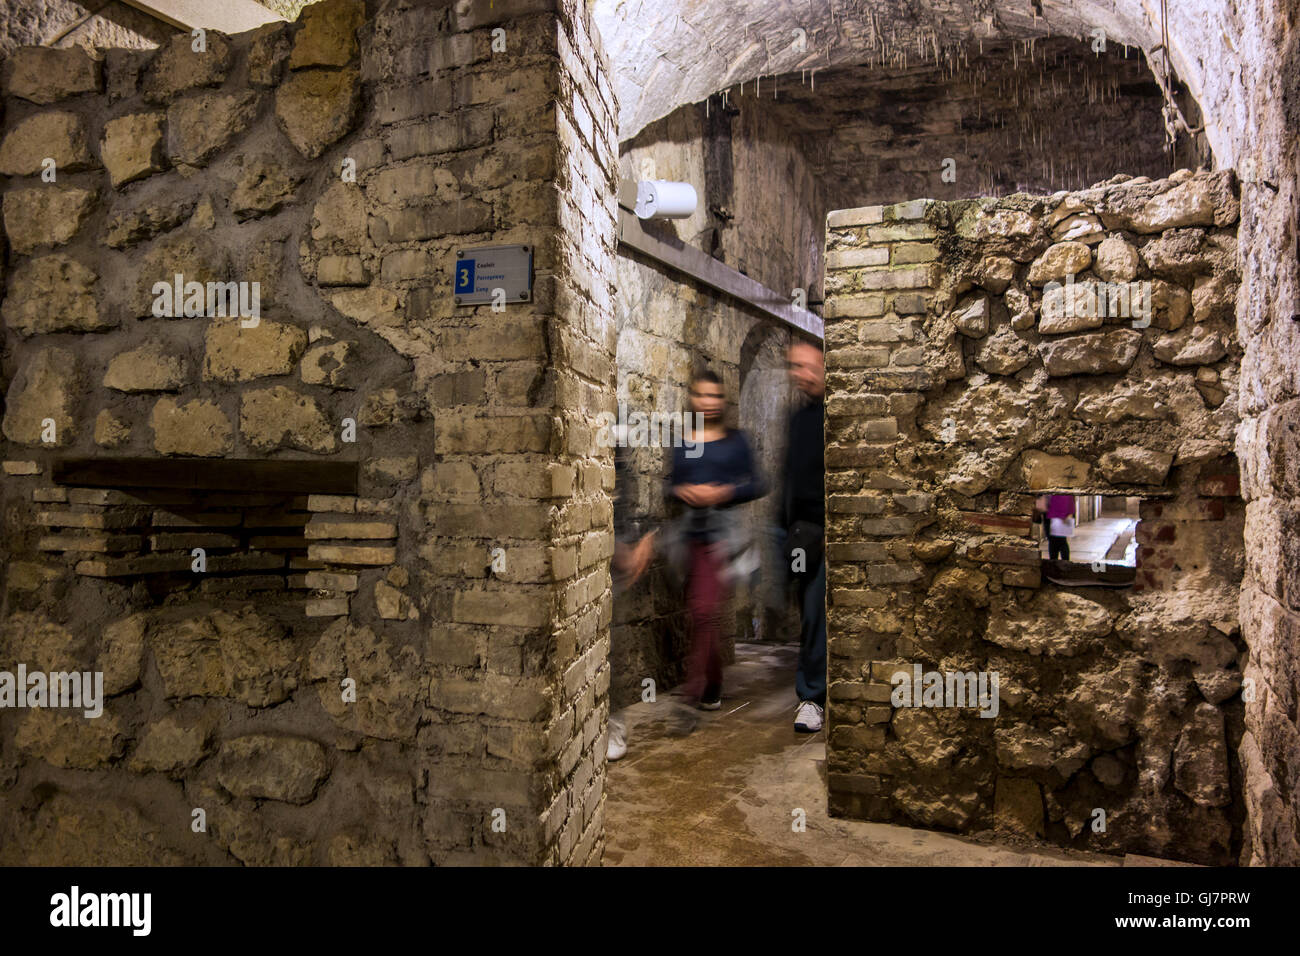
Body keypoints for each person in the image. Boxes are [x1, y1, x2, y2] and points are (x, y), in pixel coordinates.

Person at [663, 369, 766, 712]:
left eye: (715, 396)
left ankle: (694, 691)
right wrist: (685, 491)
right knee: (701, 613)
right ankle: (713, 681)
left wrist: (724, 491)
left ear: (722, 400)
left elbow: (758, 484)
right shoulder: (685, 442)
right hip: (691, 536)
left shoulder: (736, 441)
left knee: (705, 612)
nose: (708, 402)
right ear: (693, 398)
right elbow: (672, 485)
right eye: (702, 395)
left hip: (724, 539)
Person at [782, 340, 826, 734]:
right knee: (810, 616)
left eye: (807, 366)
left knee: (815, 613)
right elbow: (790, 479)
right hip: (804, 536)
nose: (801, 374)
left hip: (832, 532)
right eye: (794, 367)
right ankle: (813, 694)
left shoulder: (837, 414)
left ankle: (812, 696)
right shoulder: (798, 419)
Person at [607, 436, 656, 762]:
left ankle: (613, 725)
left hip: (613, 551)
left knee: (610, 644)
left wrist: (628, 541)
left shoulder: (616, 430)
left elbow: (620, 496)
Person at [1045, 494, 1076, 560]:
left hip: (1054, 515)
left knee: (1055, 542)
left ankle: (1055, 563)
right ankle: (1064, 562)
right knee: (1061, 542)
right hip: (1062, 515)